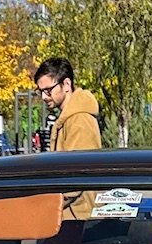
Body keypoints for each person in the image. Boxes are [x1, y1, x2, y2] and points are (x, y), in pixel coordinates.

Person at [33, 57, 101, 218]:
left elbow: (77, 174)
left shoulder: (79, 120)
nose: (43, 97)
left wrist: (50, 206)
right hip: (71, 215)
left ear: (67, 85)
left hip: (78, 216)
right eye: (40, 91)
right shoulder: (68, 119)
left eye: (48, 90)